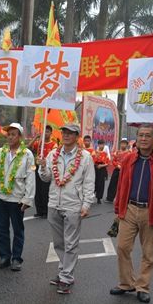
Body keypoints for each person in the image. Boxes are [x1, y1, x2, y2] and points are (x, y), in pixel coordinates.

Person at [110, 124, 153, 304]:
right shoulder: (128, 159)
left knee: (149, 253)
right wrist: (118, 208)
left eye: (147, 135)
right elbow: (121, 186)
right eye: (140, 135)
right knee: (123, 247)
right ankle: (126, 283)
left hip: (152, 211)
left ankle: (142, 286)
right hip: (130, 209)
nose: (143, 139)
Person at [38, 123, 95, 294]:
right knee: (59, 242)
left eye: (71, 133)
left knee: (71, 243)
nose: (66, 135)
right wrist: (42, 166)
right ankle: (63, 271)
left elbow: (89, 182)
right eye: (64, 132)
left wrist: (86, 204)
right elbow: (47, 178)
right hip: (54, 203)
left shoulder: (85, 157)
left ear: (77, 136)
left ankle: (67, 277)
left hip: (73, 205)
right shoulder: (52, 154)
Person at [0, 123, 35, 271]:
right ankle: (4, 257)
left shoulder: (27, 154)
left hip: (17, 199)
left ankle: (16, 258)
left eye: (13, 134)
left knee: (18, 230)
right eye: (8, 134)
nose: (10, 137)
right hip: (0, 196)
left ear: (20, 137)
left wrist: (28, 199)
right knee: (1, 229)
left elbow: (30, 177)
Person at [28, 125, 57, 218]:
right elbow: (28, 147)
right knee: (37, 189)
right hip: (37, 167)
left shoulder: (54, 145)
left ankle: (46, 211)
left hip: (46, 169)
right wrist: (36, 137)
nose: (46, 133)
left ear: (51, 133)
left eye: (48, 132)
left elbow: (54, 158)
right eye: (45, 131)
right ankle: (39, 210)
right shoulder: (39, 143)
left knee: (45, 190)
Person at [93, 139, 110, 204]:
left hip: (102, 169)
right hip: (95, 169)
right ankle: (90, 197)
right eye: (100, 144)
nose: (101, 146)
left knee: (101, 184)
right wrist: (96, 165)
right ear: (98, 145)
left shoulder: (105, 154)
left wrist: (101, 166)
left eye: (103, 144)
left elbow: (108, 163)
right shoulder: (94, 152)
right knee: (93, 183)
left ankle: (99, 198)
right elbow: (92, 160)